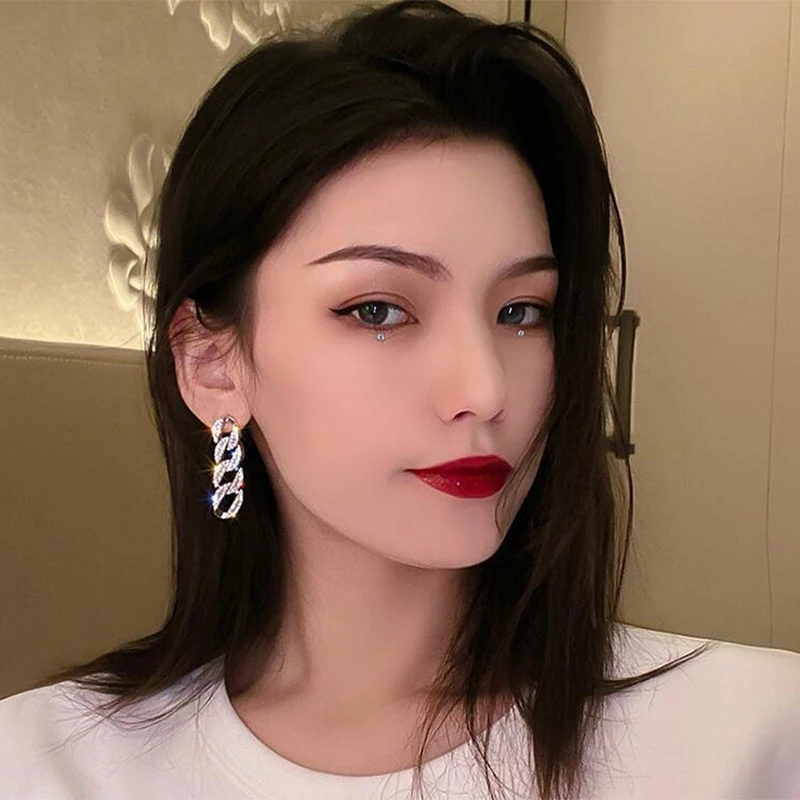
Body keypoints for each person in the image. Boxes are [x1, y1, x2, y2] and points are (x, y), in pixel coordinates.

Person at [1, 1, 799, 798]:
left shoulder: (747, 740)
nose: (485, 389)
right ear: (214, 367)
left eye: (522, 312)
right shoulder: (46, 765)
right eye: (379, 310)